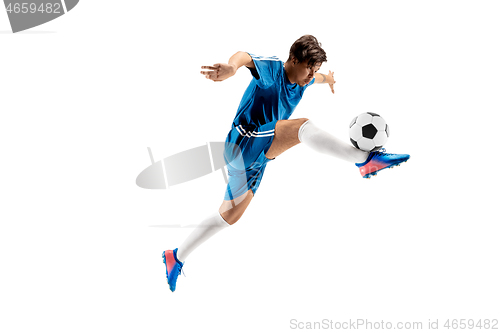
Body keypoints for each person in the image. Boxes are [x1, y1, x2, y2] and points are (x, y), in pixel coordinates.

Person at [162, 35, 410, 292]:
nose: (311, 75)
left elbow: (319, 78)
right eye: (309, 68)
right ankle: (365, 161)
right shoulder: (272, 71)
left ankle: (175, 256)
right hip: (244, 141)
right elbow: (244, 56)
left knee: (228, 217)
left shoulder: (306, 78)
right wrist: (232, 68)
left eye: (315, 70)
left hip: (257, 158)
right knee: (301, 127)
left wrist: (330, 80)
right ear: (293, 60)